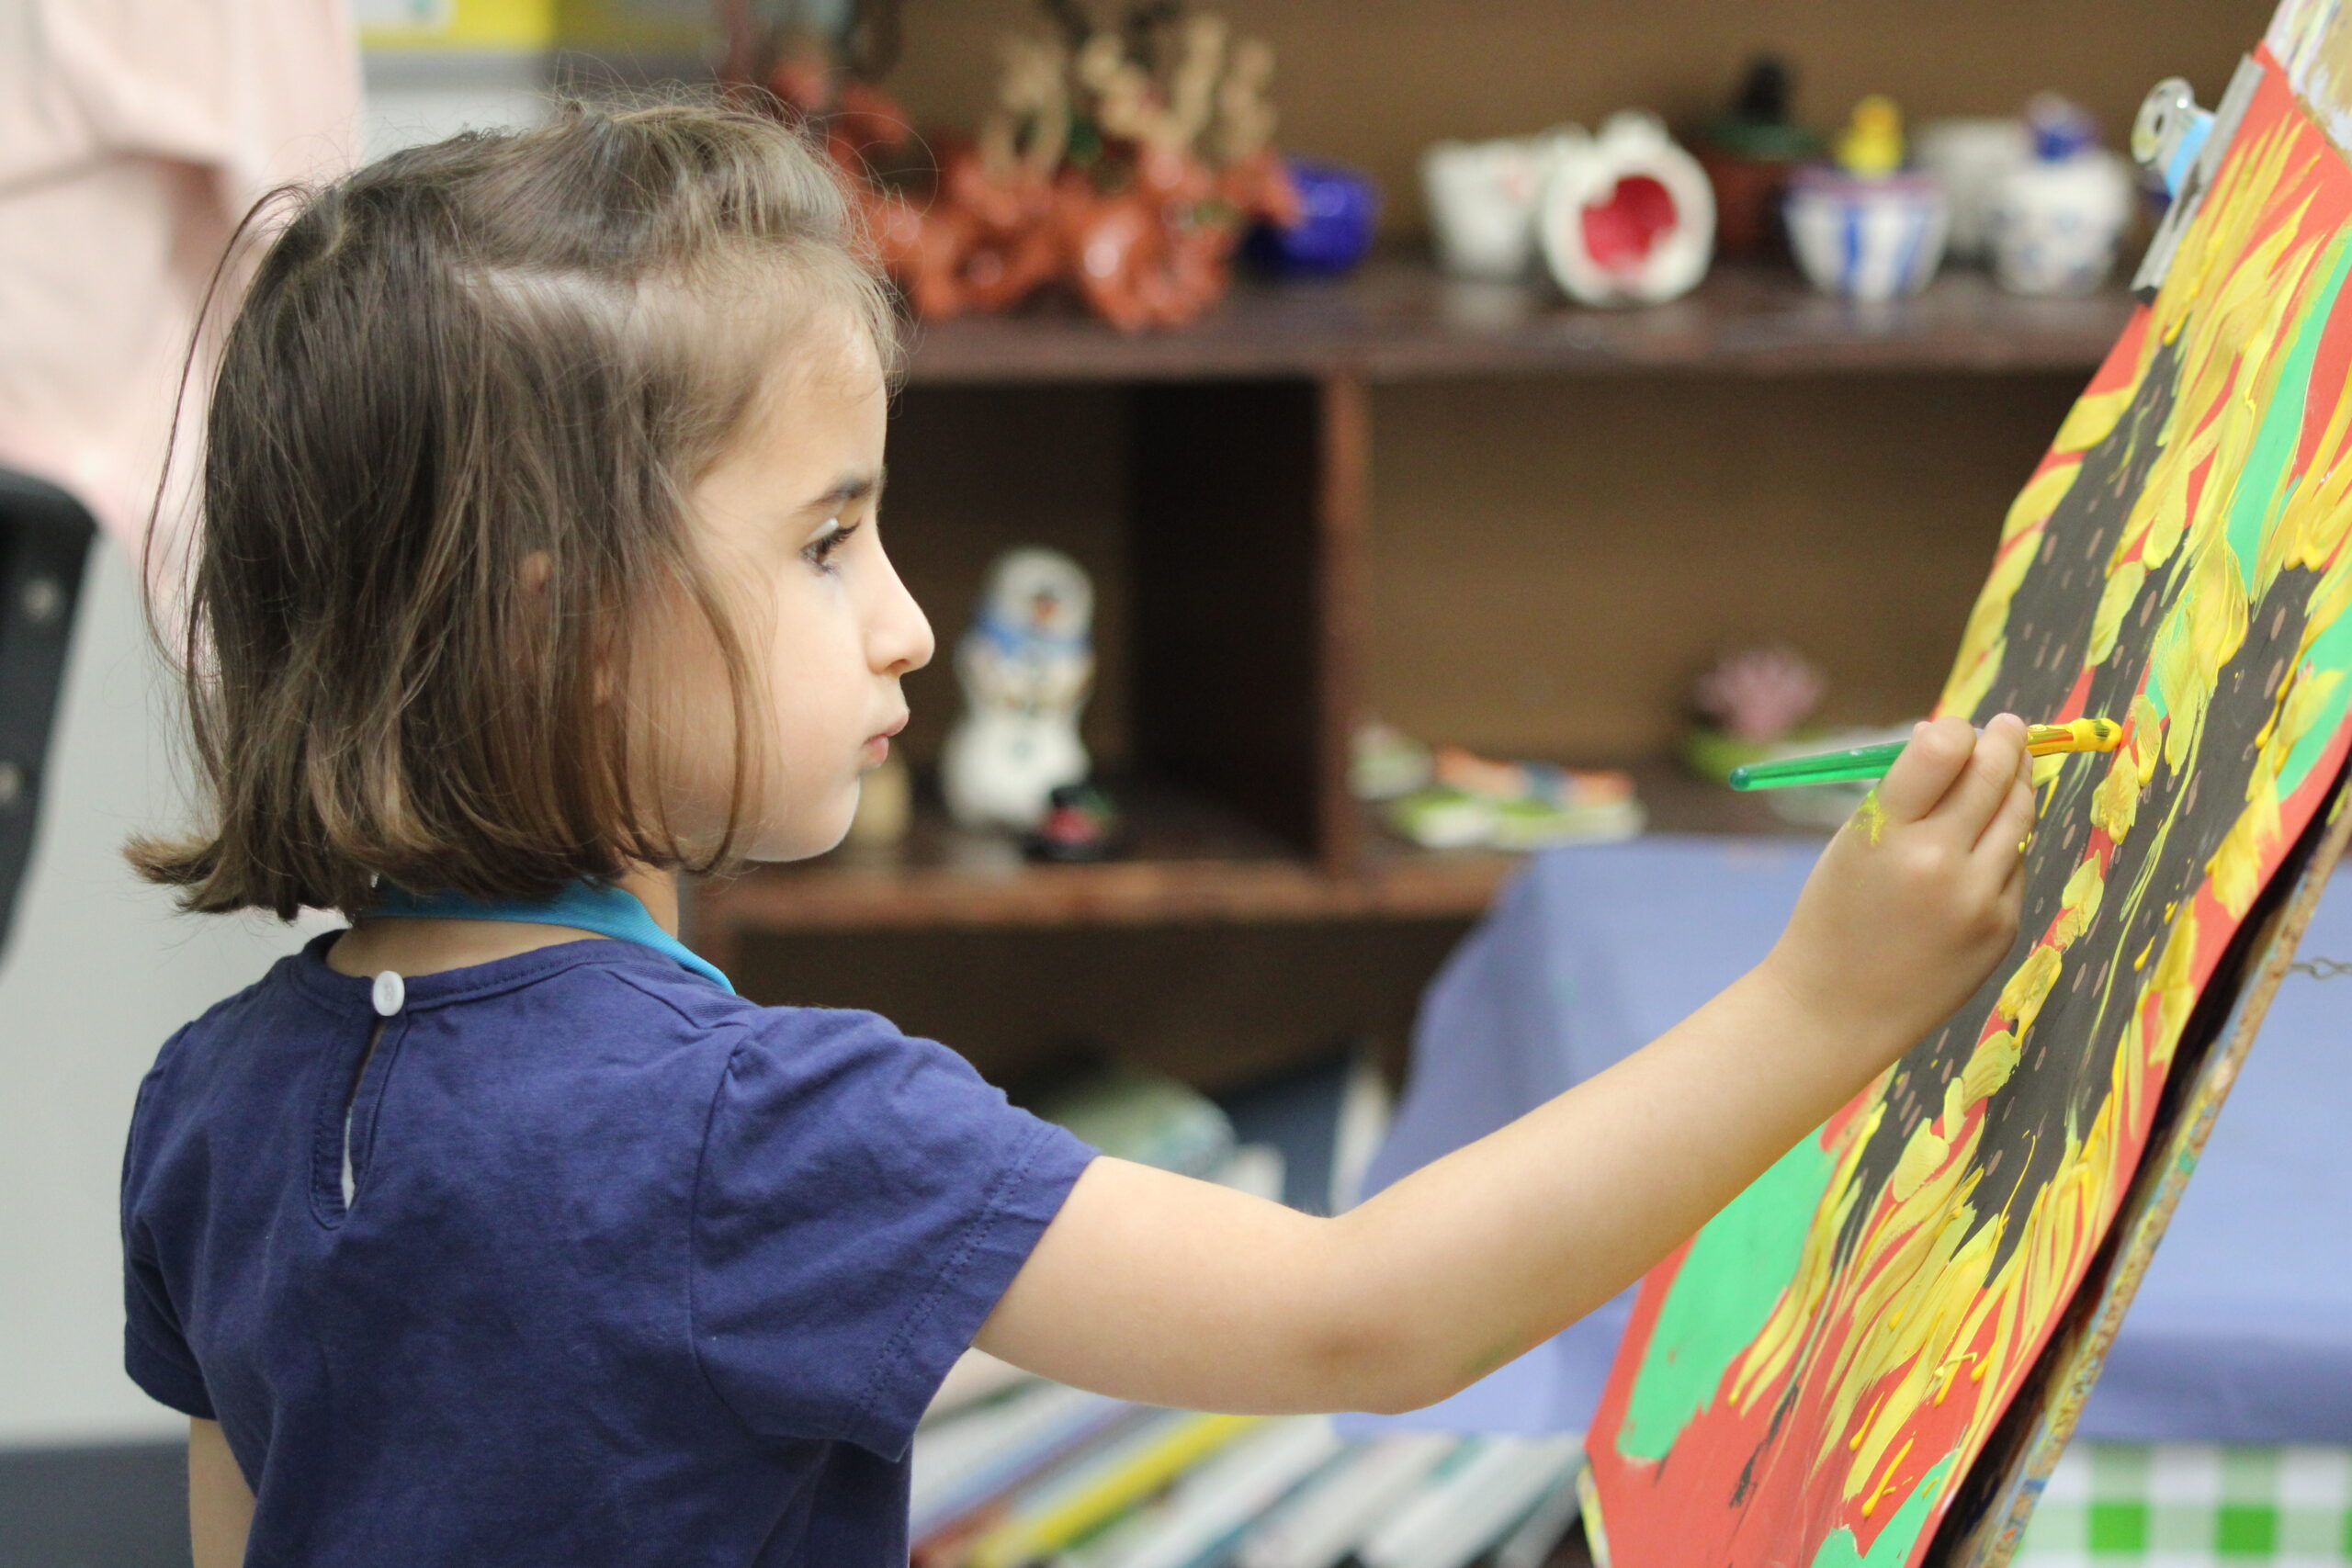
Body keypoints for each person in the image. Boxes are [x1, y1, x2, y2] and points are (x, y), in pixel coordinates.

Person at [117, 102, 2037, 1568]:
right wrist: (1823, 999)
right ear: (559, 624)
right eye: (821, 537)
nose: (908, 619)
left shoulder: (206, 1103)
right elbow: (1364, 1314)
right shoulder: (761, 1131)